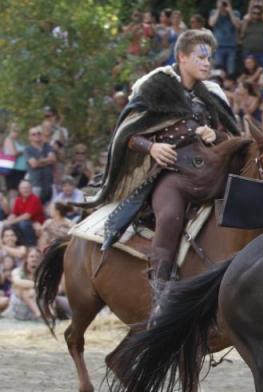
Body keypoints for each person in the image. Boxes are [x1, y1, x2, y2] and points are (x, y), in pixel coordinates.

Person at [82, 30, 240, 301]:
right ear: (182, 57)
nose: (207, 63)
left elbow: (233, 137)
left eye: (209, 58)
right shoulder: (156, 86)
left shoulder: (212, 94)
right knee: (170, 217)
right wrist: (153, 147)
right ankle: (161, 290)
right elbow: (127, 134)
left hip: (211, 172)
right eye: (201, 57)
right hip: (172, 173)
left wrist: (217, 135)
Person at [5, 181, 45, 246]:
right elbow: (14, 214)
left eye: (27, 188)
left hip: (36, 225)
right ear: (19, 190)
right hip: (26, 223)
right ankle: (18, 245)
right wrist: (8, 220)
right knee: (10, 225)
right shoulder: (18, 199)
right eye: (23, 188)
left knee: (23, 223)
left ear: (31, 189)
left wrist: (11, 222)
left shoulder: (35, 199)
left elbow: (27, 216)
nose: (25, 190)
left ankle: (31, 245)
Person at [209, 0, 241, 76]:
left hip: (231, 46)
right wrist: (219, 10)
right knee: (219, 69)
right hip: (218, 46)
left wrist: (230, 11)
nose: (223, 4)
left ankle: (229, 85)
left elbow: (237, 25)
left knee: (231, 70)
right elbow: (211, 23)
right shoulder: (214, 12)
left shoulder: (235, 13)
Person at [25, 127, 56, 204]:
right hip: (35, 184)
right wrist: (47, 160)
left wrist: (39, 161)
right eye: (33, 134)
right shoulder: (28, 149)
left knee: (49, 210)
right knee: (36, 207)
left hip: (49, 184)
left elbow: (53, 160)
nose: (37, 135)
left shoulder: (47, 146)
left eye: (39, 133)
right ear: (30, 137)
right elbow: (34, 164)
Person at [240, 4, 263, 68]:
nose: (256, 15)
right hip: (249, 52)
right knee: (249, 72)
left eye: (258, 13)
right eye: (254, 13)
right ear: (250, 13)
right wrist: (245, 21)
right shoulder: (246, 22)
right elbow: (239, 31)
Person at [2, 122, 28, 194]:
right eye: (14, 130)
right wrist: (22, 152)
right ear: (10, 130)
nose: (16, 132)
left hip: (22, 170)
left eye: (17, 130)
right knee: (13, 193)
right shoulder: (9, 140)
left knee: (22, 193)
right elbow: (13, 154)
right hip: (13, 170)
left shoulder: (20, 141)